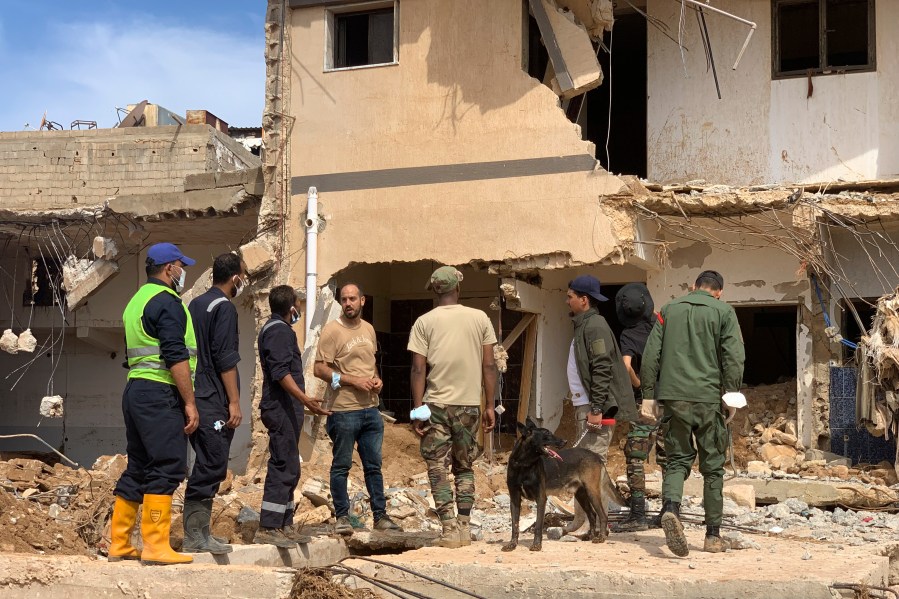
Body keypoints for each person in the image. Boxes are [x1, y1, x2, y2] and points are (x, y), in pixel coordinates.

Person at [641, 270, 745, 556]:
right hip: (709, 399)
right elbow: (734, 356)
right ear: (719, 292)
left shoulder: (668, 310)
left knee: (676, 460)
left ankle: (671, 509)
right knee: (713, 467)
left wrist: (648, 395)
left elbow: (651, 354)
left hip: (674, 399)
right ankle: (712, 536)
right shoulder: (724, 312)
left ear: (693, 287)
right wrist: (731, 394)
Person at [109, 242, 199, 565]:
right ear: (168, 269)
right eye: (180, 265)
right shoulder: (168, 302)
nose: (183, 272)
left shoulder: (135, 302)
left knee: (139, 465)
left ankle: (119, 543)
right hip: (159, 393)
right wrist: (189, 402)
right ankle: (156, 546)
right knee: (167, 464)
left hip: (135, 391)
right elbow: (175, 354)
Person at [408, 266, 497, 548]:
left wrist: (418, 410)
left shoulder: (423, 322)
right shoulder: (480, 318)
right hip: (469, 404)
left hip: (435, 405)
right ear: (458, 289)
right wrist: (490, 405)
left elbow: (418, 370)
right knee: (465, 465)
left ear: (435, 291)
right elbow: (490, 365)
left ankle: (448, 529)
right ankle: (465, 526)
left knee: (437, 465)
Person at [314, 283, 401, 535]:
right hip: (343, 411)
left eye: (353, 299)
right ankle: (342, 516)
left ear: (363, 300)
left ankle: (380, 517)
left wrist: (376, 380)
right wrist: (352, 380)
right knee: (341, 466)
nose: (348, 303)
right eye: (344, 299)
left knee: (373, 466)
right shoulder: (332, 331)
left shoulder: (369, 329)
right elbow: (319, 369)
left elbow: (370, 364)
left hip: (371, 410)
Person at [254, 285, 331, 548]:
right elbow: (280, 372)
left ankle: (284, 523)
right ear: (291, 308)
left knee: (290, 466)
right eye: (298, 305)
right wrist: (304, 398)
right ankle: (269, 526)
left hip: (286, 407)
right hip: (281, 407)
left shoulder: (278, 329)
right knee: (282, 464)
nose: (299, 309)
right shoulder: (278, 331)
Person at [182, 253, 248, 554]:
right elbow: (225, 358)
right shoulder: (224, 308)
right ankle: (196, 536)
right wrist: (234, 401)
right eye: (243, 276)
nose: (243, 282)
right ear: (234, 277)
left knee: (208, 461)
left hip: (197, 394)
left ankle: (200, 534)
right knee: (212, 463)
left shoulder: (196, 304)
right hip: (212, 399)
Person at [611, 282, 666, 533]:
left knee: (635, 455)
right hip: (673, 398)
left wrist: (639, 383)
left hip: (649, 401)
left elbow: (625, 366)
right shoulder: (664, 325)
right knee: (669, 457)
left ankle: (638, 513)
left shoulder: (629, 334)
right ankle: (669, 511)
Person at [565, 275, 637, 462]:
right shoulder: (584, 325)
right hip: (587, 404)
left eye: (570, 297)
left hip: (594, 406)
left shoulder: (595, 326)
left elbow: (602, 367)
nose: (567, 301)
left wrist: (597, 409)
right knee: (585, 465)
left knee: (592, 465)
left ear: (584, 300)